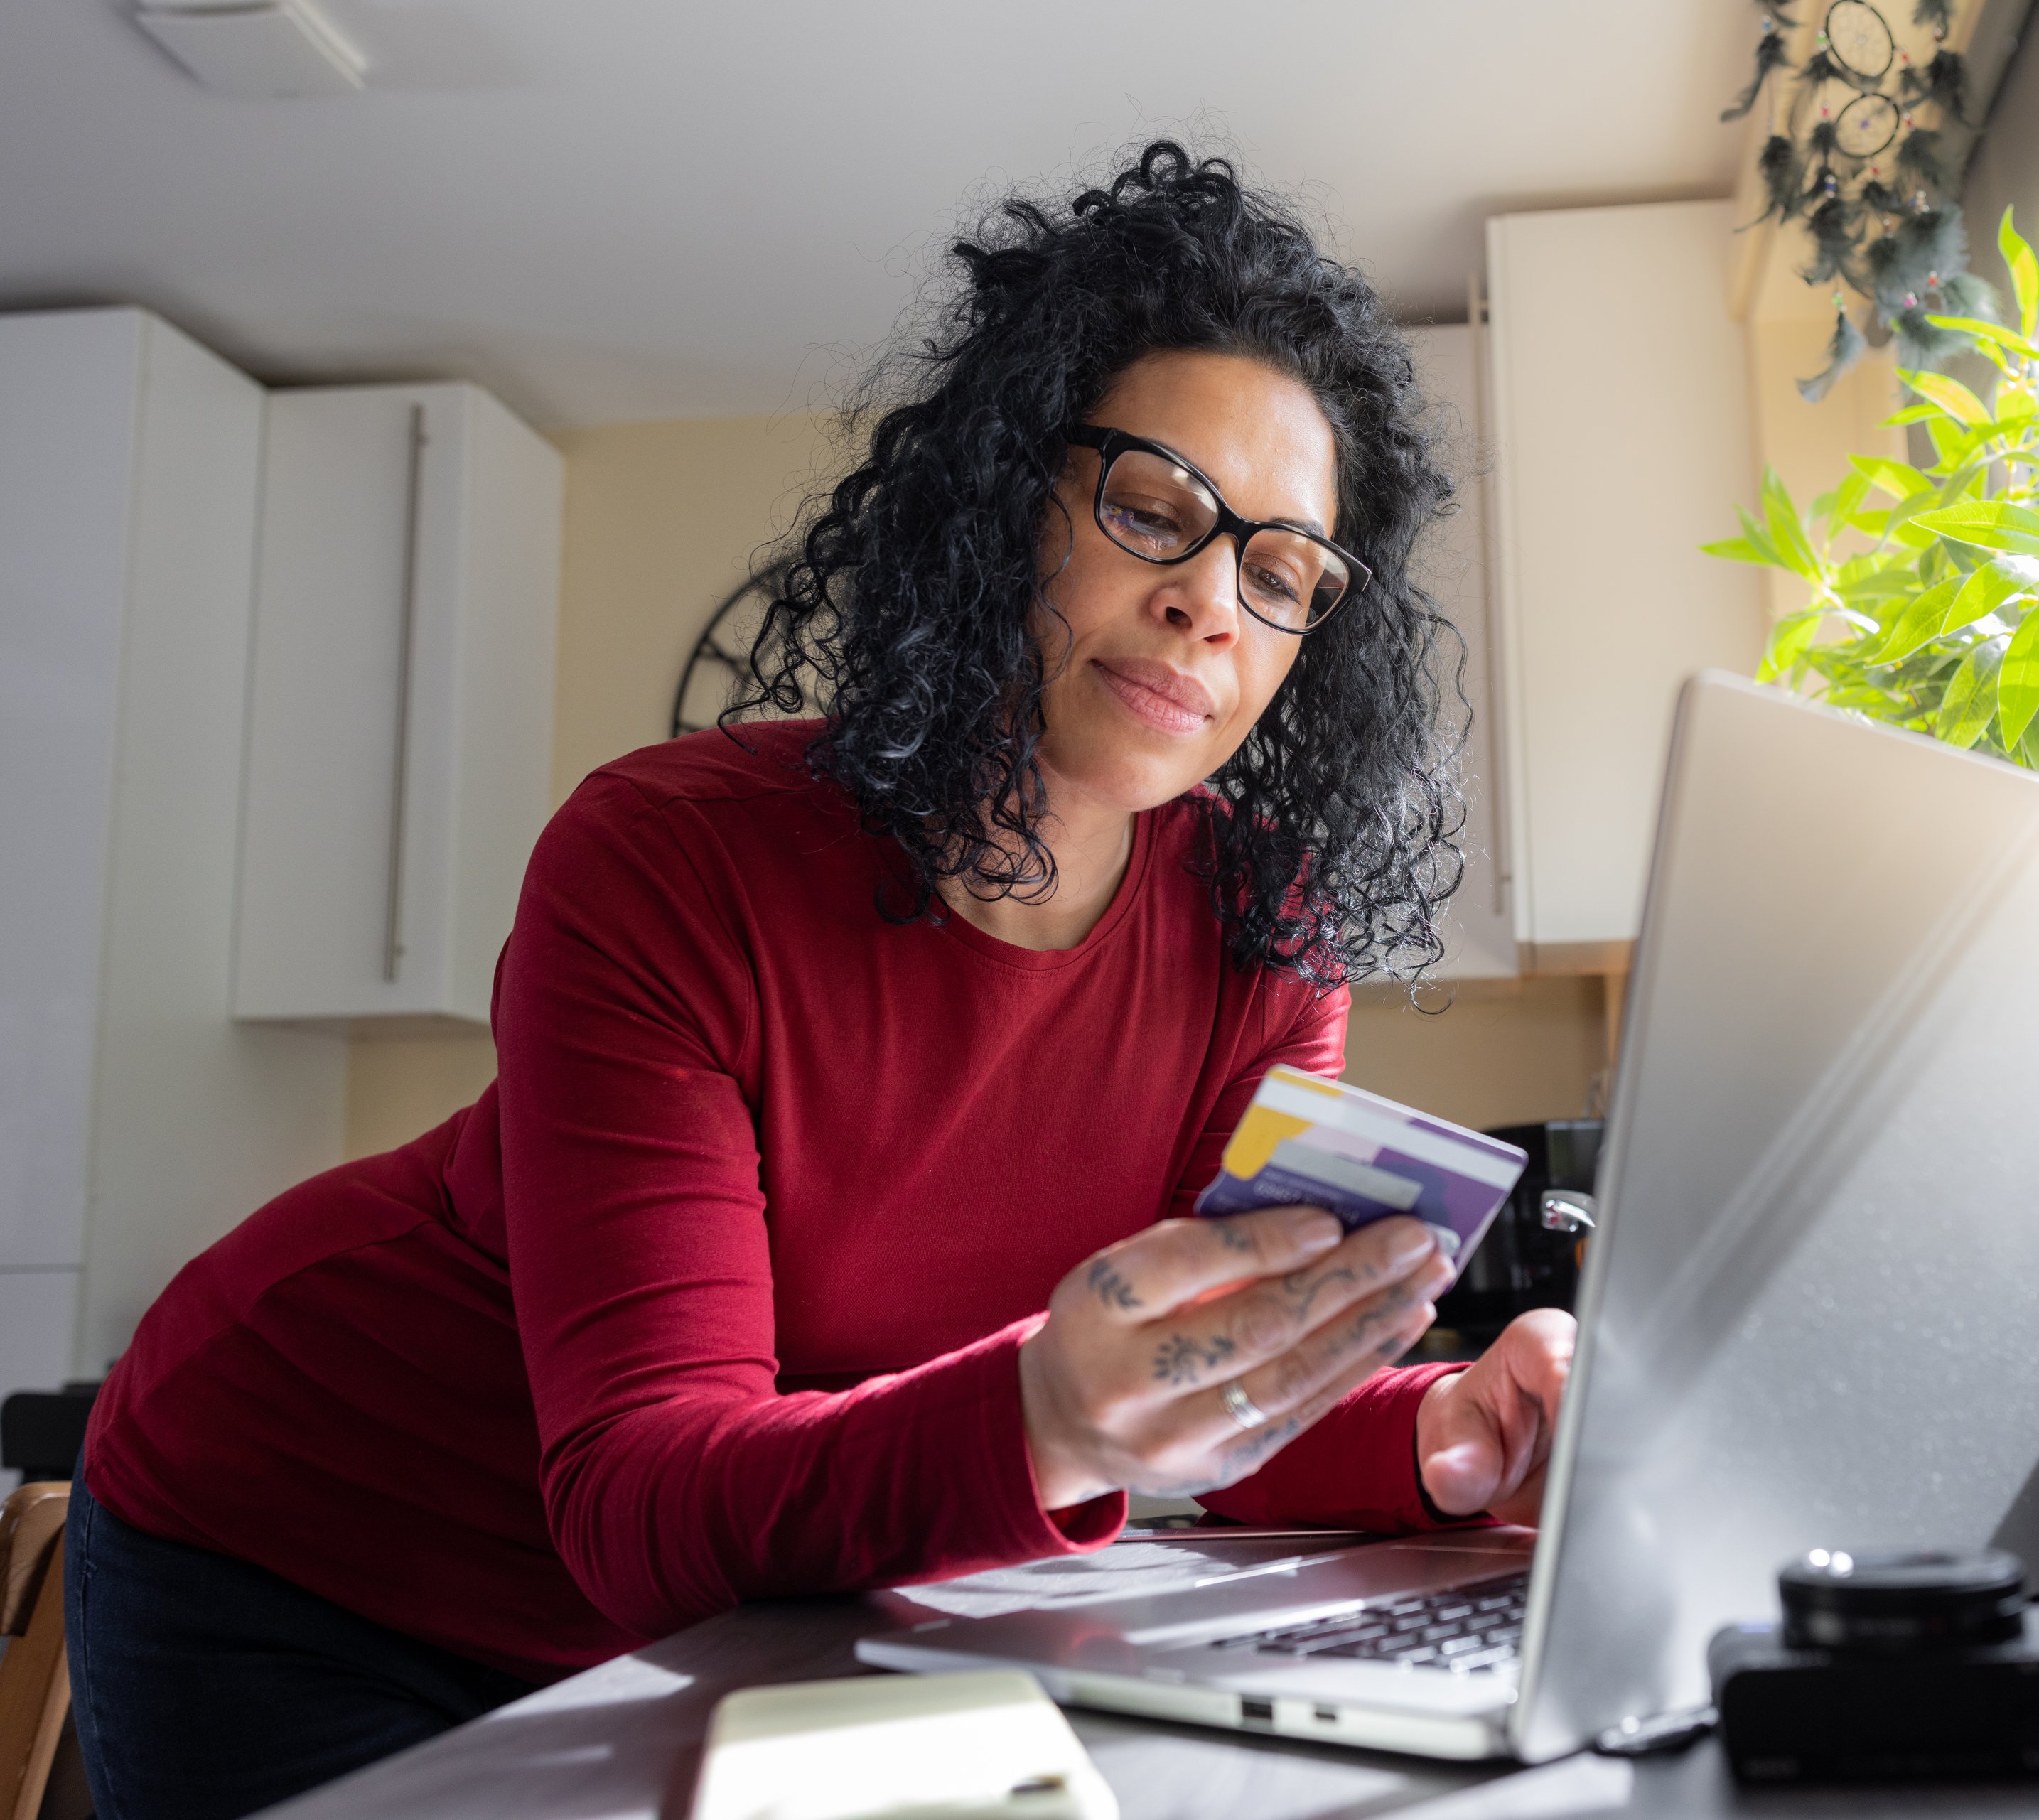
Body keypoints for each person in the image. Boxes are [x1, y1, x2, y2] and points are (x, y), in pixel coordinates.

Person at [63, 143, 1575, 1820]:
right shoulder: (669, 860)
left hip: (715, 1621)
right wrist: (1042, 1420)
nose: (1210, 601)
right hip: (307, 1547)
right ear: (1008, 493)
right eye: (1153, 505)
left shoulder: (1260, 937)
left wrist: (1452, 1435)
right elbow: (644, 1493)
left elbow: (1192, 1396)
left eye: (1282, 572)